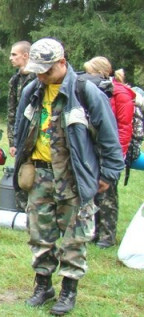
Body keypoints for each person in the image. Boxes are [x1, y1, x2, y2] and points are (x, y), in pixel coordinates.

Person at [13, 38, 123, 315]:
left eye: (46, 70)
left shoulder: (85, 91)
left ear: (62, 62)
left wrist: (109, 173)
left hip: (73, 176)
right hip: (39, 174)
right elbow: (20, 126)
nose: (41, 76)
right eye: (37, 71)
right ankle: (43, 286)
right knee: (39, 234)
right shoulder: (32, 90)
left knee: (75, 237)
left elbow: (109, 136)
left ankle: (68, 291)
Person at [83, 56, 134, 249]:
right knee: (94, 190)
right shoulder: (93, 90)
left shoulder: (120, 94)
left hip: (111, 150)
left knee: (108, 194)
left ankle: (107, 236)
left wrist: (117, 155)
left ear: (101, 73)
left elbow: (124, 127)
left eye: (90, 73)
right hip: (93, 147)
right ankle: (94, 231)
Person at [7, 41, 35, 211]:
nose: (11, 58)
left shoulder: (38, 78)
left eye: (14, 54)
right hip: (20, 134)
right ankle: (21, 210)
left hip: (35, 134)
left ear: (26, 55)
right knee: (21, 172)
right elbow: (12, 112)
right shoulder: (15, 80)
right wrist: (13, 141)